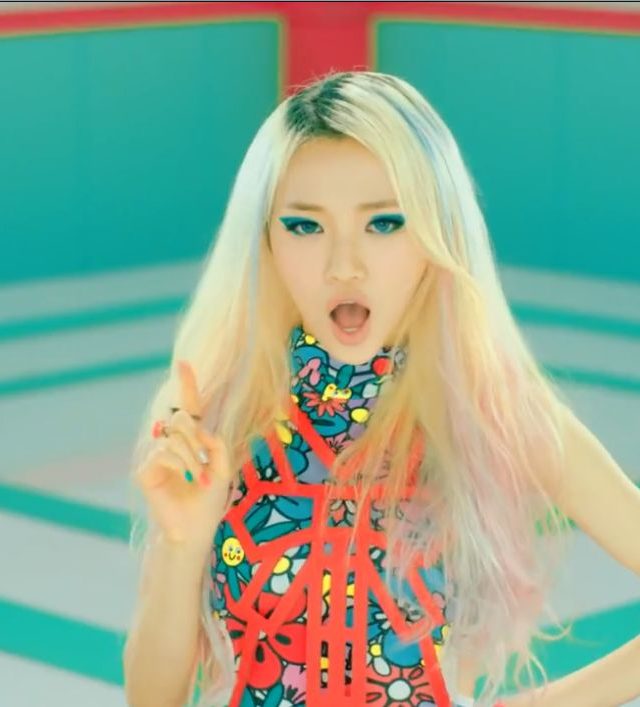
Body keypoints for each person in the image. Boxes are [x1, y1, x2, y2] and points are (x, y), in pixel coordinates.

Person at [122, 71, 640, 707]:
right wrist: (179, 543)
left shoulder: (496, 414)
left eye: (385, 223)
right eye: (305, 227)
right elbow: (151, 699)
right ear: (266, 242)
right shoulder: (217, 415)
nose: (345, 265)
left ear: (435, 234)